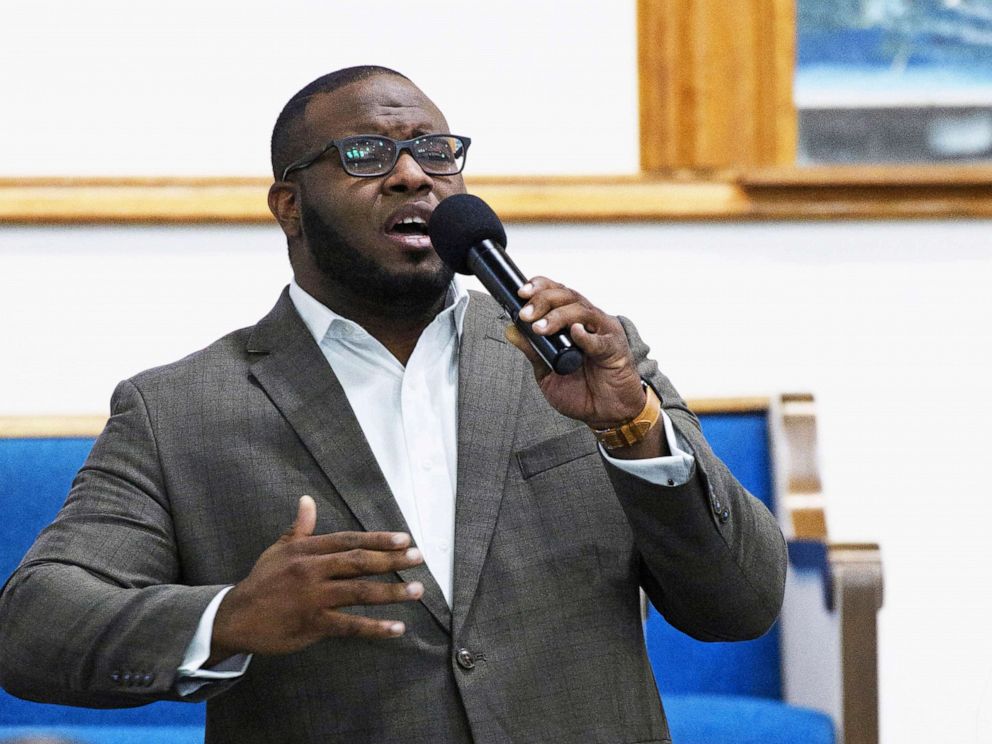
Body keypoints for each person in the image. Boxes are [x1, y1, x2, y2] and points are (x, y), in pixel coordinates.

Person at [0, 66, 787, 743]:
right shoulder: (179, 410)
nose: (415, 175)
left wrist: (634, 428)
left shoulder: (589, 365)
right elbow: (33, 625)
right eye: (367, 154)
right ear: (290, 206)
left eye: (437, 152)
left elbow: (744, 601)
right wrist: (228, 615)